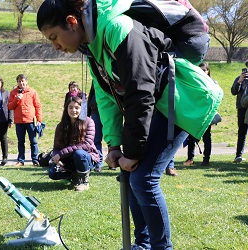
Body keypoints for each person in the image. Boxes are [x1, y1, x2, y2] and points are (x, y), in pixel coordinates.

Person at [37, 1, 219, 249]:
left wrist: (131, 153)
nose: (55, 46)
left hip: (181, 103)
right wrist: (113, 145)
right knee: (131, 175)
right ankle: (142, 245)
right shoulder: (92, 46)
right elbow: (106, 96)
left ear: (72, 22)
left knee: (144, 179)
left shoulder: (118, 28)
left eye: (54, 37)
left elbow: (140, 94)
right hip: (155, 106)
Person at [49, 96, 100, 191]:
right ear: (66, 109)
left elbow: (86, 144)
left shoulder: (89, 122)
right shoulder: (60, 126)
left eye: (77, 107)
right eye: (70, 107)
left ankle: (84, 181)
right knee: (52, 173)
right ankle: (74, 176)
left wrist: (61, 154)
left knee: (79, 153)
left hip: (86, 157)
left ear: (82, 109)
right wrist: (56, 157)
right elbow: (56, 147)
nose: (73, 110)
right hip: (68, 158)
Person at [183, 62, 218, 167]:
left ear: (208, 71)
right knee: (191, 137)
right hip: (195, 114)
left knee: (207, 137)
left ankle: (206, 159)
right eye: (200, 70)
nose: (202, 72)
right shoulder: (193, 82)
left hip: (206, 114)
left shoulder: (213, 83)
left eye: (204, 70)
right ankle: (190, 158)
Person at [8, 74, 42, 167]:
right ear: (17, 82)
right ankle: (20, 160)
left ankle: (35, 160)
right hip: (19, 121)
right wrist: (16, 99)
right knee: (20, 142)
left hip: (30, 120)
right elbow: (10, 106)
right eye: (19, 81)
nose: (21, 83)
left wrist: (39, 119)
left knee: (33, 141)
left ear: (26, 82)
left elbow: (37, 106)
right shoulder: (13, 93)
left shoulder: (32, 92)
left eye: (23, 81)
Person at [231, 60, 248, 163]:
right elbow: (233, 91)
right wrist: (239, 81)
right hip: (242, 108)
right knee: (242, 131)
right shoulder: (239, 79)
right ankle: (238, 155)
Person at [87, 84, 104, 172]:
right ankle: (98, 163)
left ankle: (113, 162)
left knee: (112, 139)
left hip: (109, 111)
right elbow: (91, 95)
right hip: (95, 111)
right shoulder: (95, 80)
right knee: (96, 139)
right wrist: (87, 113)